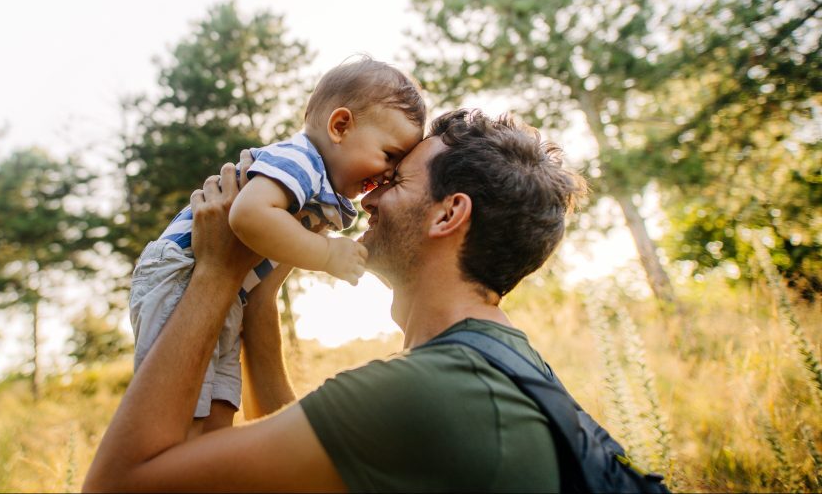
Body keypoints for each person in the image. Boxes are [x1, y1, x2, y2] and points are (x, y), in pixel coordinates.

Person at [85, 109, 587, 492]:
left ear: (448, 215)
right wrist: (258, 295)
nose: (366, 199)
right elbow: (296, 455)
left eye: (393, 180)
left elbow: (118, 485)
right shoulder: (509, 367)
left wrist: (215, 272)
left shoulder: (422, 392)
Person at [128, 56, 426, 436]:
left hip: (229, 290)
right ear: (340, 126)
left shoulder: (321, 189)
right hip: (181, 273)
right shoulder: (299, 160)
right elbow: (248, 215)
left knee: (219, 409)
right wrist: (327, 253)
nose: (388, 173)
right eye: (389, 155)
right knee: (179, 412)